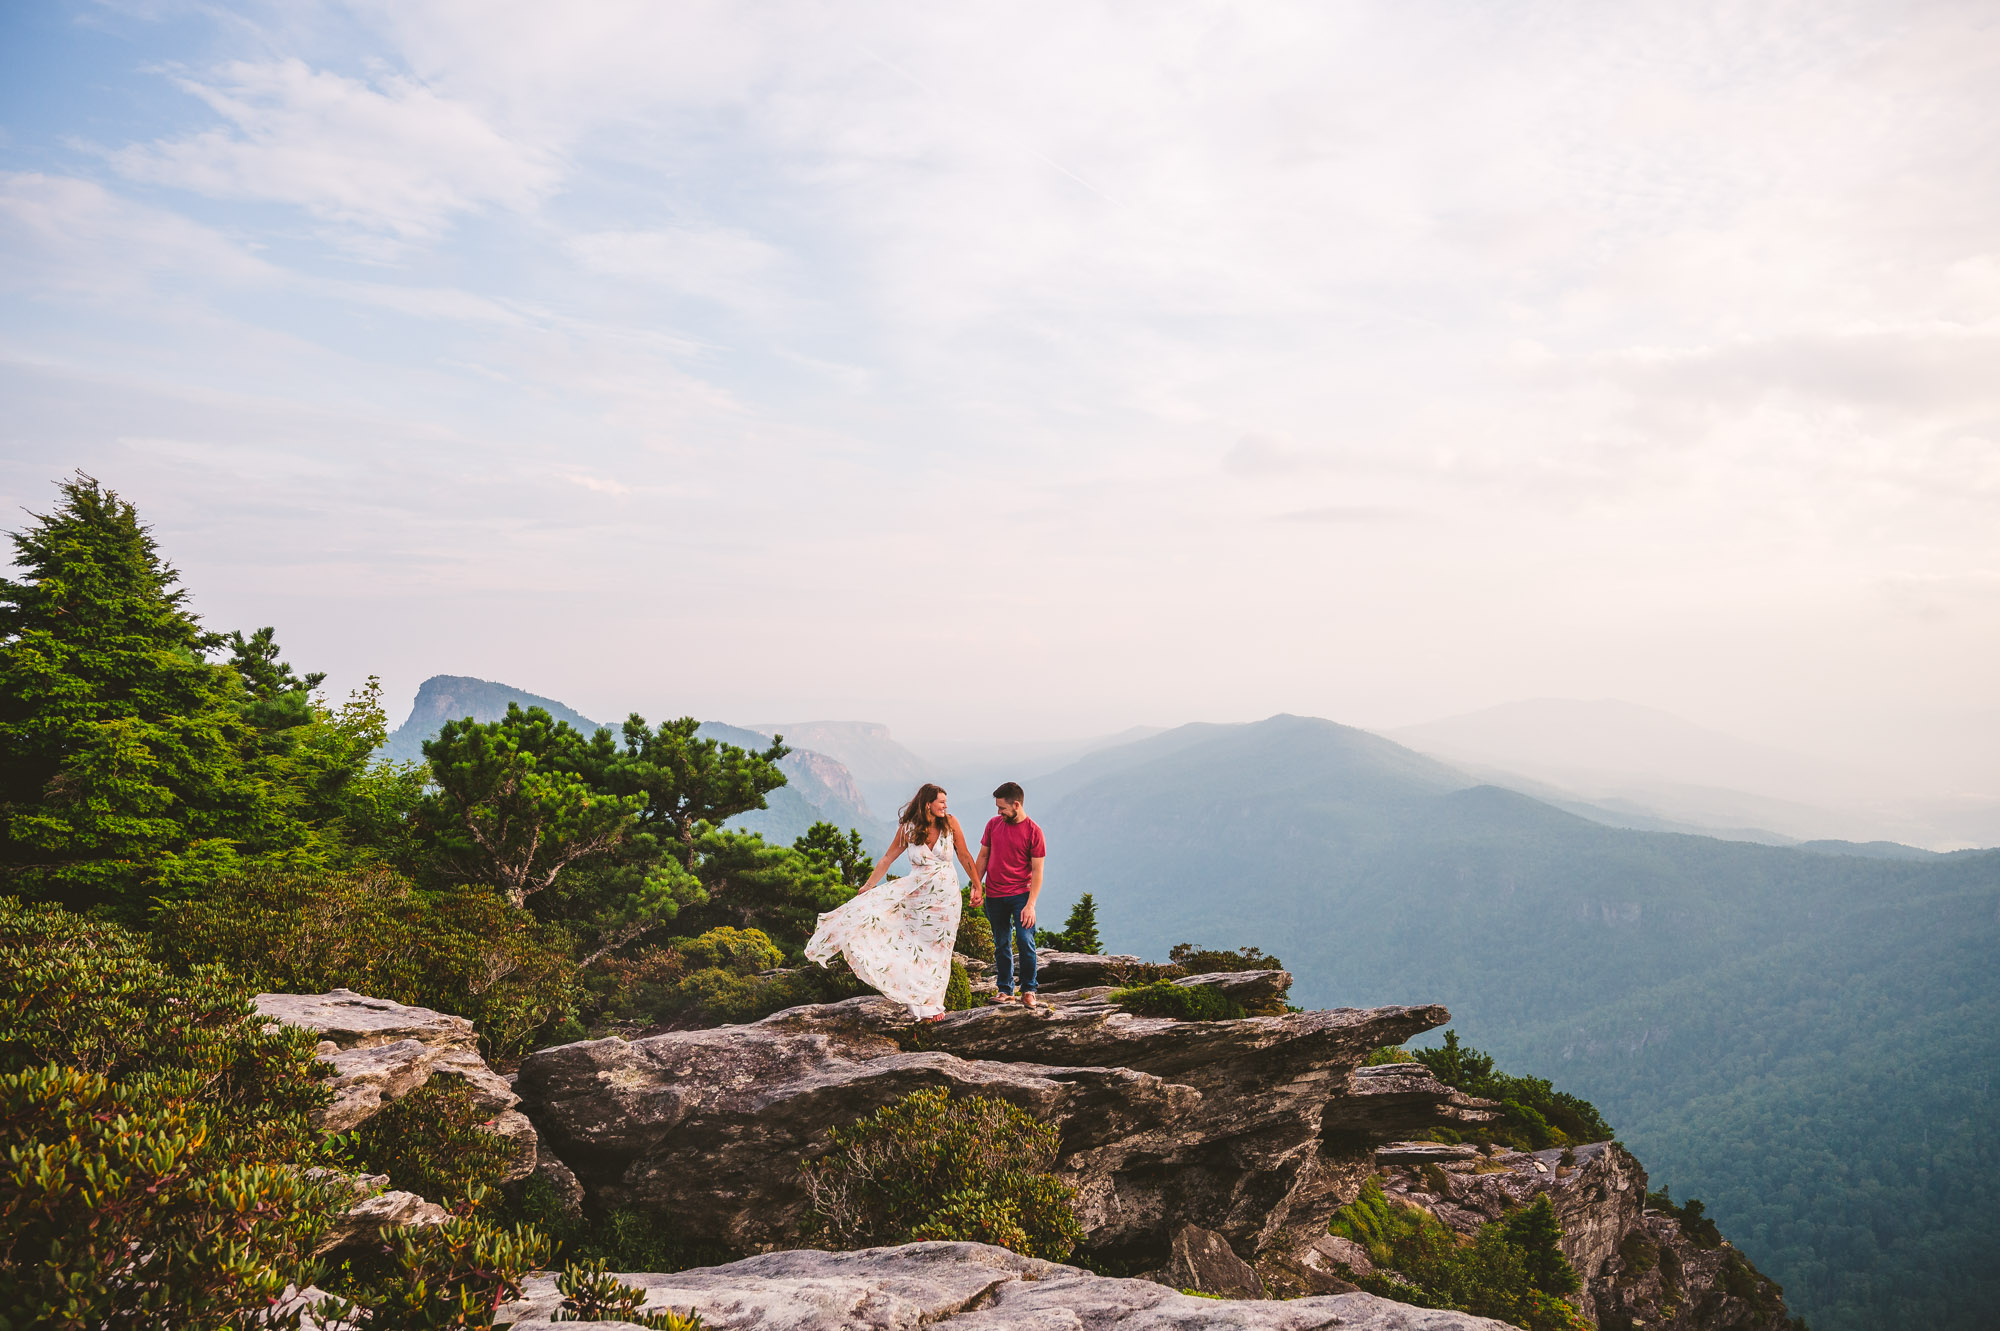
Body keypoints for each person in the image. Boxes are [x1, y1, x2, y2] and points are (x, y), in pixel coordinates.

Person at [804, 783, 980, 1022]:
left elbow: (964, 855)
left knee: (939, 949)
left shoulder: (950, 824)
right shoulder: (908, 828)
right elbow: (888, 858)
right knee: (911, 946)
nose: (945, 806)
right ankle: (916, 1004)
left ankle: (933, 1004)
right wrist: (868, 886)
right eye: (941, 802)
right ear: (928, 804)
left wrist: (977, 885)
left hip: (946, 900)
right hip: (917, 898)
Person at [972, 781, 1046, 1007]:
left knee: (1025, 941)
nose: (998, 812)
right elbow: (983, 856)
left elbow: (1037, 871)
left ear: (1016, 805)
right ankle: (1005, 990)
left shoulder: (1034, 832)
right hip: (995, 895)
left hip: (1021, 896)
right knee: (1001, 943)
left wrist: (1031, 904)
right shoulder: (993, 825)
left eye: (1002, 808)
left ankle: (1029, 990)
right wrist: (977, 886)